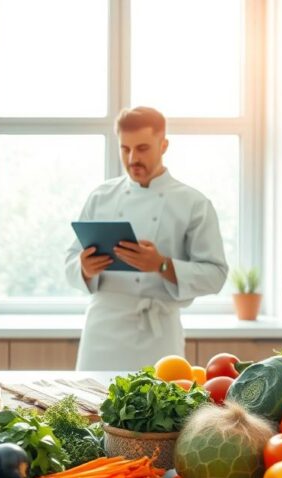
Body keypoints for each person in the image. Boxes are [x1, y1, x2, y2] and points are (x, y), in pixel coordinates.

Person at [66, 106, 229, 371]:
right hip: (102, 329)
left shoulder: (194, 203)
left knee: (159, 407)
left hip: (158, 334)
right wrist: (84, 268)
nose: (132, 158)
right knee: (90, 408)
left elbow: (216, 274)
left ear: (163, 145)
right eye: (125, 149)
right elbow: (70, 260)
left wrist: (161, 265)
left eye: (142, 148)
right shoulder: (101, 197)